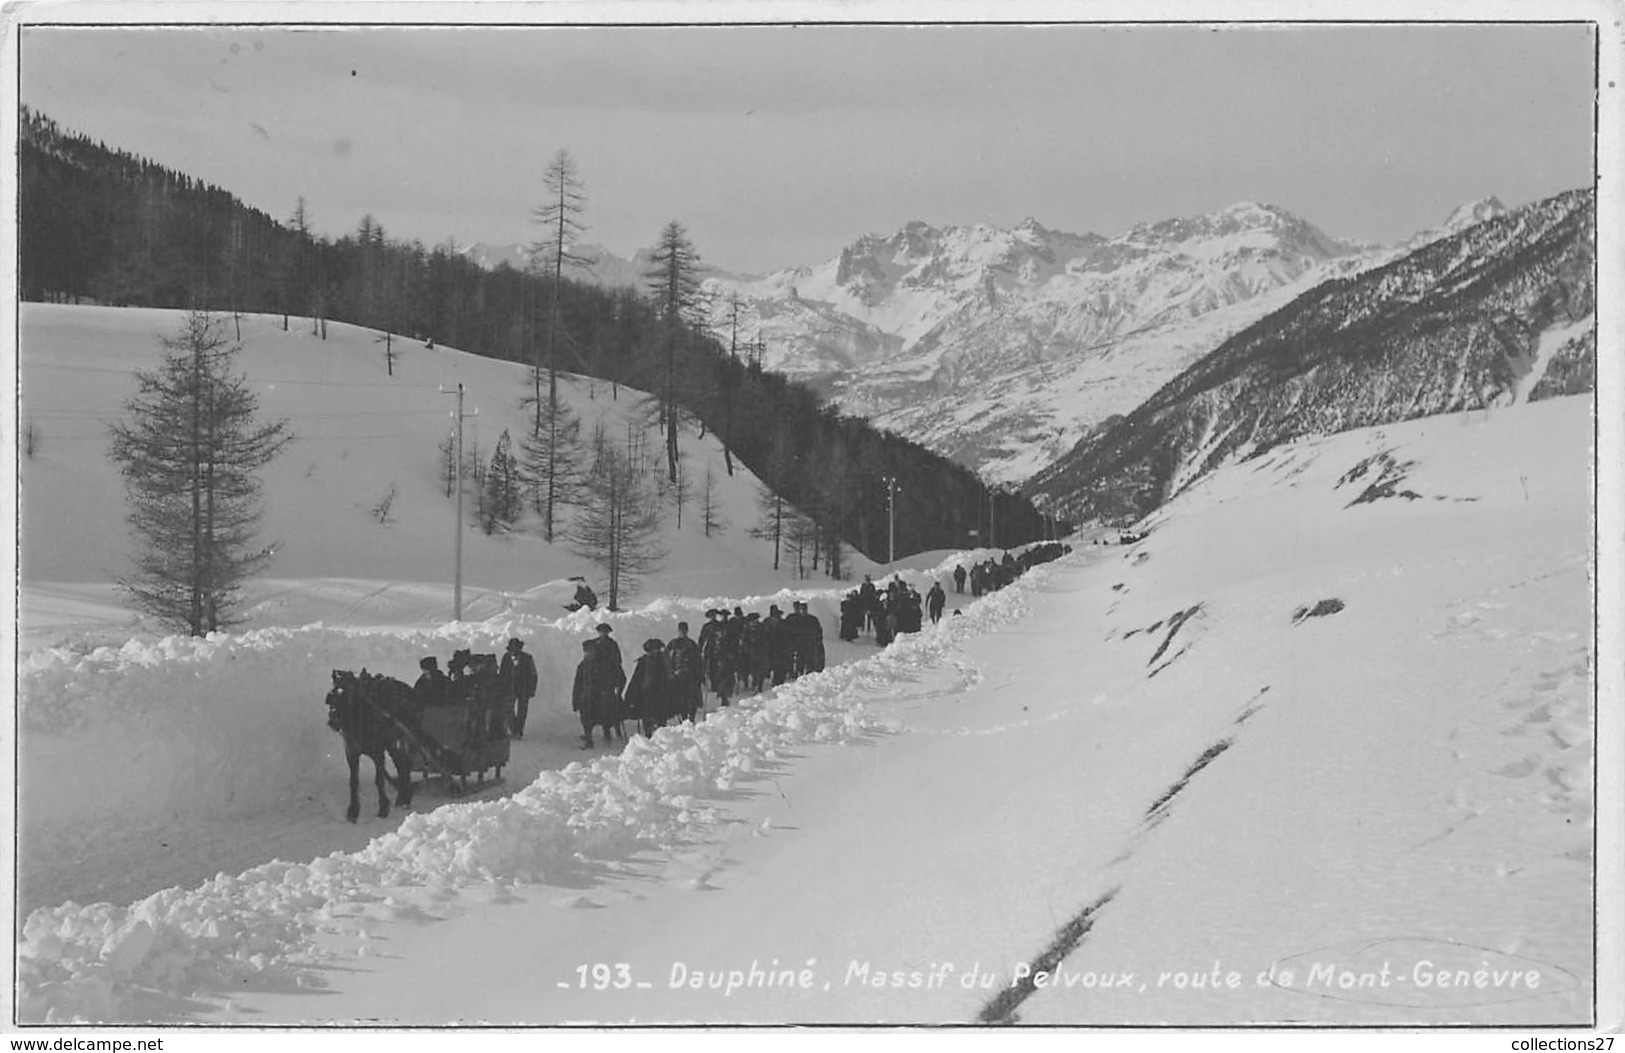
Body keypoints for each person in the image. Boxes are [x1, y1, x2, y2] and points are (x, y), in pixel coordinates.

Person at [571, 641, 619, 748]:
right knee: (586, 718)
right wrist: (576, 699)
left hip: (601, 697)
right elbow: (578, 683)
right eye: (586, 651)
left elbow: (612, 679)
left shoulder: (604, 664)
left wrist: (609, 692)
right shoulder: (583, 665)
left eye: (590, 651)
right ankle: (589, 739)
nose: (588, 653)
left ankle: (607, 734)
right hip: (587, 697)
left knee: (604, 717)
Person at [623, 638, 672, 737]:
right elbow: (636, 678)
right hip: (647, 693)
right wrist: (632, 694)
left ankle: (660, 735)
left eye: (655, 649)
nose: (653, 652)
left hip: (659, 693)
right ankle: (649, 735)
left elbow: (668, 677)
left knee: (659, 716)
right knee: (648, 715)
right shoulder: (644, 662)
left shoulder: (662, 661)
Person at [499, 638, 538, 739]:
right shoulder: (506, 658)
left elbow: (533, 674)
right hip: (509, 689)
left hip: (524, 688)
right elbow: (502, 674)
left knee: (522, 711)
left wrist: (532, 689)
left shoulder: (527, 658)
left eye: (516, 649)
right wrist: (501, 688)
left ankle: (519, 731)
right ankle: (512, 729)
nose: (514, 652)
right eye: (512, 649)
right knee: (509, 710)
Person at [666, 621, 704, 722]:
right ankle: (683, 718)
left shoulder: (692, 644)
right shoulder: (673, 644)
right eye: (681, 630)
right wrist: (671, 673)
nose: (683, 632)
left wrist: (700, 674)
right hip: (678, 676)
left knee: (692, 698)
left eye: (684, 630)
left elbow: (698, 660)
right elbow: (668, 660)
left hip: (691, 676)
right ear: (678, 631)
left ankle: (691, 718)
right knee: (680, 698)